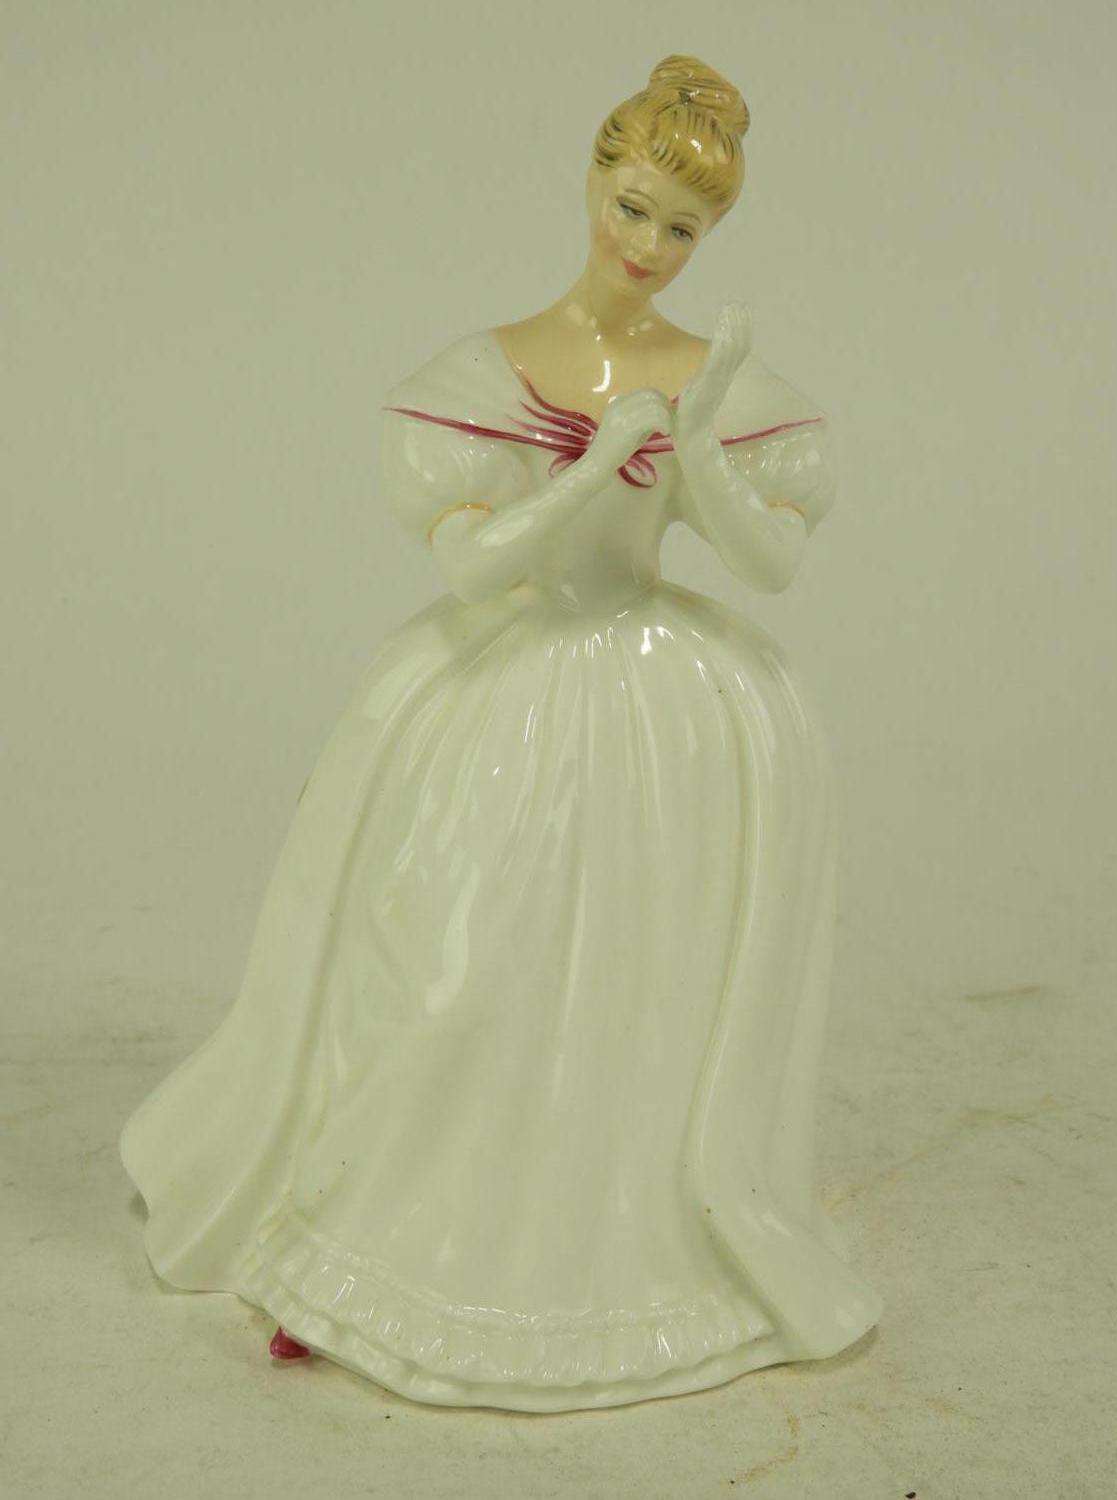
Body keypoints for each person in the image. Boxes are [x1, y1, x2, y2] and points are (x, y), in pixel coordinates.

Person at [120, 54, 881, 1412]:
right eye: (632, 208)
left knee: (631, 984)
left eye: (681, 229)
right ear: (592, 183)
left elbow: (768, 567)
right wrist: (590, 467)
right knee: (448, 969)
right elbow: (474, 567)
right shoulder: (486, 370)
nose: (646, 247)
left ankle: (614, 1241)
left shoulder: (709, 377)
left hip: (658, 701)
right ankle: (366, 1243)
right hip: (511, 683)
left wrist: (701, 443)